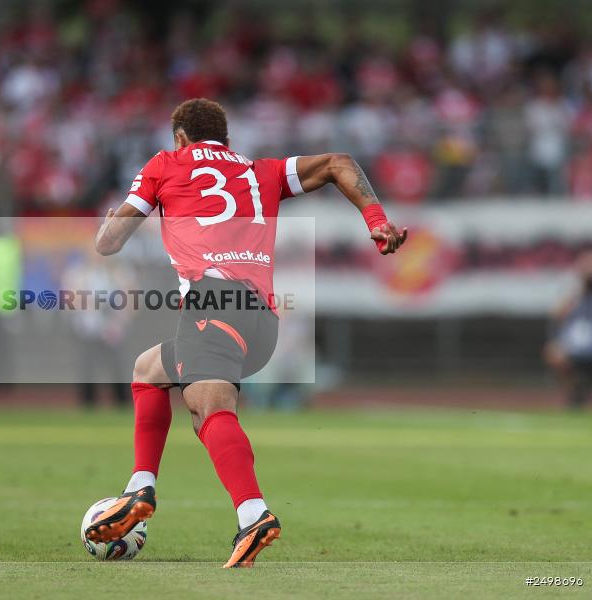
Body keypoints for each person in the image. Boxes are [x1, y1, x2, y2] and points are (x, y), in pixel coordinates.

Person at [88, 98, 407, 568]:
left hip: (211, 301)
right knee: (149, 370)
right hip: (261, 321)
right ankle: (141, 487)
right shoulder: (262, 172)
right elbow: (340, 162)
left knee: (210, 407)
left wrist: (113, 218)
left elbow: (109, 244)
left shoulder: (165, 164)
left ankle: (246, 512)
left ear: (180, 137)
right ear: (226, 139)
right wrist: (376, 222)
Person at [545, 250, 592, 409]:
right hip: (577, 347)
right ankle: (575, 393)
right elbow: (557, 315)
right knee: (554, 354)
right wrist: (576, 292)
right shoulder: (574, 294)